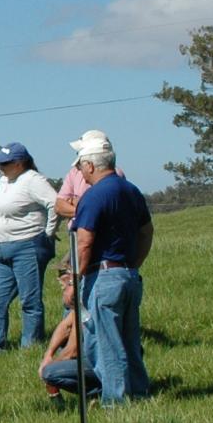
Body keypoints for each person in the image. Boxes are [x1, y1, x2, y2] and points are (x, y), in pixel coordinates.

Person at [70, 140, 154, 402]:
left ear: (90, 165)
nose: (81, 174)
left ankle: (115, 403)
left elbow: (84, 242)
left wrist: (75, 280)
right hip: (128, 275)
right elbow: (146, 231)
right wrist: (133, 264)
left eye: (81, 168)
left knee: (108, 344)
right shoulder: (131, 190)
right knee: (130, 341)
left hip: (103, 276)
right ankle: (140, 394)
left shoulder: (93, 196)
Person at [0, 141, 60, 350]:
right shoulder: (4, 181)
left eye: (5, 163)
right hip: (2, 249)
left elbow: (55, 203)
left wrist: (49, 232)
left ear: (19, 163)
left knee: (29, 300)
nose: (0, 167)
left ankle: (31, 347)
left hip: (27, 245)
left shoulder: (32, 180)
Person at [39, 264, 99, 398]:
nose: (59, 279)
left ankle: (97, 392)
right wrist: (48, 354)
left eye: (64, 274)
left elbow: (73, 350)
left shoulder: (87, 302)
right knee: (56, 356)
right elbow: (65, 327)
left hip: (98, 362)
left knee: (50, 373)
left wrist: (50, 366)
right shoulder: (82, 300)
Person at [54, 129, 123, 221]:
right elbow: (59, 206)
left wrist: (76, 204)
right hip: (76, 231)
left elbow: (107, 209)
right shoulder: (74, 172)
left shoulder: (115, 175)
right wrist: (88, 210)